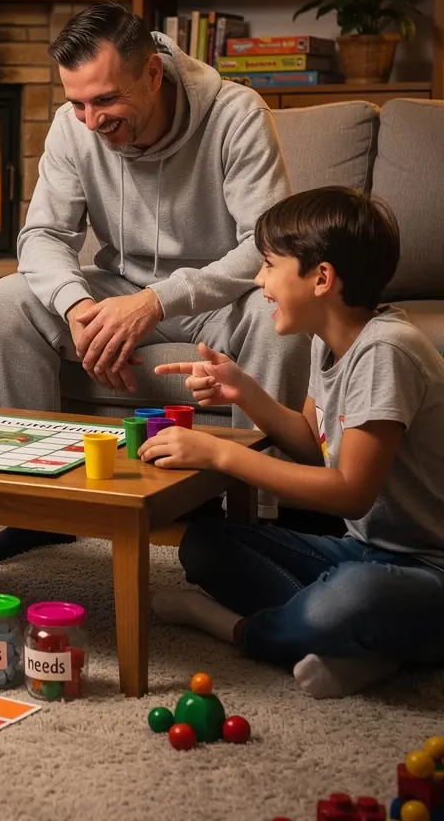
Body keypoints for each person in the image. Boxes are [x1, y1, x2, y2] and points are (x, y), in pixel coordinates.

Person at [0, 3, 309, 561]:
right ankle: (35, 508)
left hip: (218, 299)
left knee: (278, 319)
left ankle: (261, 515)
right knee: (7, 302)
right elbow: (41, 235)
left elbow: (265, 242)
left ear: (152, 73)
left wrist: (159, 300)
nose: (90, 120)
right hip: (114, 289)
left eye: (106, 100)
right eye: (77, 103)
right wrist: (77, 306)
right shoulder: (73, 127)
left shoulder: (236, 115)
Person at [143, 187, 444, 699]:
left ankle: (240, 629)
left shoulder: (386, 350)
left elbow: (350, 491)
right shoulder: (331, 340)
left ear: (321, 278)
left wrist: (222, 454)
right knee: (208, 544)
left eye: (268, 265)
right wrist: (246, 391)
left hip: (430, 568)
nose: (259, 281)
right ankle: (362, 648)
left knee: (354, 597)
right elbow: (313, 441)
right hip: (365, 551)